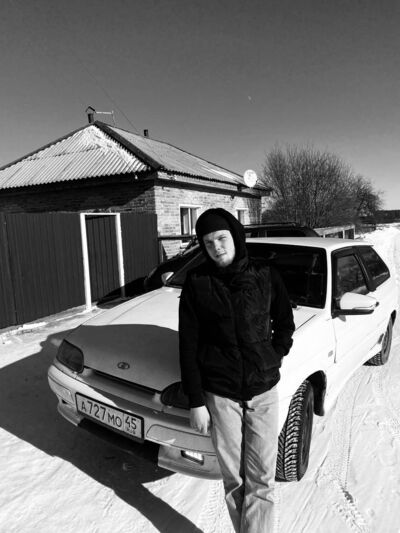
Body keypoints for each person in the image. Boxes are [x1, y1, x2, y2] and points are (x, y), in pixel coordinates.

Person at [179, 208, 295, 533]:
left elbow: (285, 323)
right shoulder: (197, 282)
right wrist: (195, 401)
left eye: (221, 238)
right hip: (221, 395)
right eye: (208, 242)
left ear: (235, 236)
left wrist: (273, 355)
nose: (216, 247)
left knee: (262, 479)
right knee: (234, 479)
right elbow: (188, 345)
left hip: (263, 391)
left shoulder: (265, 274)